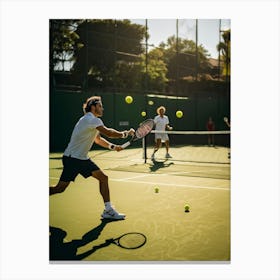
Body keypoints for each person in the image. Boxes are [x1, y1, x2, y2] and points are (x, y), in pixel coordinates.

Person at [49, 96, 135, 220]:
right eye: (100, 106)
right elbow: (109, 132)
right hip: (73, 159)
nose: (102, 108)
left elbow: (98, 140)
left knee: (103, 178)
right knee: (60, 189)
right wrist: (125, 133)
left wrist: (113, 146)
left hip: (80, 159)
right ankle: (109, 210)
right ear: (93, 107)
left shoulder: (89, 120)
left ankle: (108, 210)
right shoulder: (91, 119)